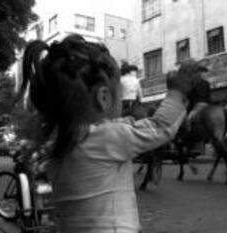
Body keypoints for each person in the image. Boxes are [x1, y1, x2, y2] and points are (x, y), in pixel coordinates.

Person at [19, 34, 200, 233]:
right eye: (119, 92)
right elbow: (161, 126)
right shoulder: (107, 138)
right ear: (103, 97)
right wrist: (176, 93)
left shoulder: (57, 142)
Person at [185, 62, 210, 131]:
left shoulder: (194, 83)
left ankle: (188, 133)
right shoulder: (207, 83)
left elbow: (190, 96)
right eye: (204, 73)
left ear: (198, 73)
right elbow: (209, 95)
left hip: (198, 106)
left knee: (188, 119)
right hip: (208, 105)